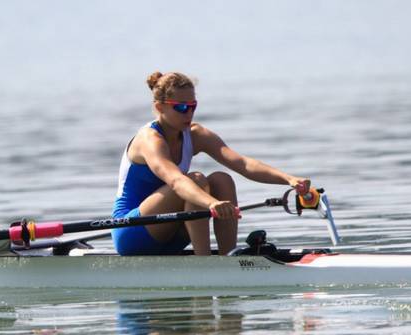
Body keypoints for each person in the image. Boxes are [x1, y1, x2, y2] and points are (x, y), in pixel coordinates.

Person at [111, 71, 311, 256]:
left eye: (193, 106)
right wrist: (212, 203)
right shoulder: (150, 139)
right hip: (132, 232)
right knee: (196, 180)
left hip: (171, 233)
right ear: (159, 107)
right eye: (181, 107)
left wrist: (289, 179)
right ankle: (204, 263)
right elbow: (176, 182)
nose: (189, 114)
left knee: (222, 180)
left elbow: (243, 164)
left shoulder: (196, 134)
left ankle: (228, 259)